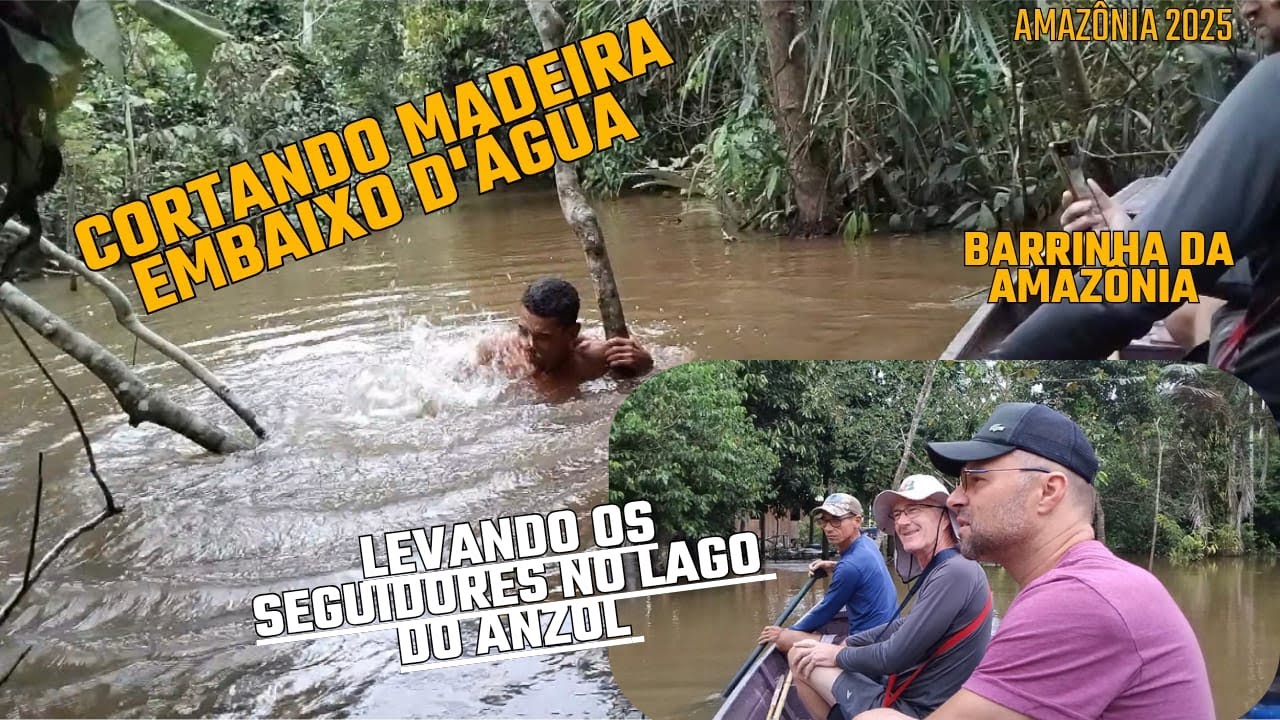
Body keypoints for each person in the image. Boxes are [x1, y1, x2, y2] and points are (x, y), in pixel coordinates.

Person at [988, 6, 1280, 425]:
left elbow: (1123, 295)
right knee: (1194, 310)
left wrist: (999, 364)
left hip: (1259, 406)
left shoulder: (1274, 84)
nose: (1247, 8)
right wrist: (1130, 236)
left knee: (1194, 315)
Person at [852, 402, 1214, 719]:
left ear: (1048, 491)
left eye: (974, 480)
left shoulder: (1077, 598)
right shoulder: (1088, 581)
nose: (954, 499)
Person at [787, 475, 992, 720]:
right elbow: (904, 624)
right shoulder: (944, 567)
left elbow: (893, 656)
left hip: (913, 709)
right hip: (906, 692)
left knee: (797, 655)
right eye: (897, 514)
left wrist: (835, 654)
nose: (903, 522)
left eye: (914, 510)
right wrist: (851, 643)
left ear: (945, 517)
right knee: (812, 653)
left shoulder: (955, 572)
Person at [758, 493, 897, 653]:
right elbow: (859, 570)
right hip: (887, 633)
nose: (828, 528)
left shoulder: (850, 567)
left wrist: (788, 632)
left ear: (857, 521)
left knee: (782, 640)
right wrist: (833, 565)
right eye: (823, 521)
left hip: (867, 646)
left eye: (836, 521)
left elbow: (825, 610)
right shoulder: (867, 544)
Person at [474, 277, 653, 396]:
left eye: (543, 337)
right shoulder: (499, 350)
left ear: (572, 333)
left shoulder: (595, 358)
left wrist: (645, 366)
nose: (528, 344)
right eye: (523, 331)